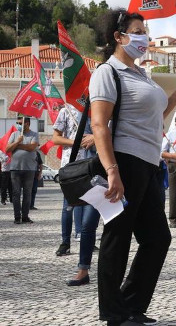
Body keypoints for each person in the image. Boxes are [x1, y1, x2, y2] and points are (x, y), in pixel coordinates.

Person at [90, 9, 176, 325]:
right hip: (125, 162)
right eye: (137, 31)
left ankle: (133, 304)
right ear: (118, 37)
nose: (143, 37)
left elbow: (151, 120)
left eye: (144, 31)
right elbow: (99, 124)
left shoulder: (141, 74)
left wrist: (173, 98)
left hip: (149, 164)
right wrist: (112, 171)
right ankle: (113, 313)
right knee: (117, 237)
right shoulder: (109, 73)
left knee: (158, 238)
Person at [52, 104, 101, 286]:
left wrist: (96, 138)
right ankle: (66, 243)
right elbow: (56, 139)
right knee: (69, 208)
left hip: (95, 169)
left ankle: (86, 265)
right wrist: (78, 140)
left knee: (89, 220)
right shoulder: (66, 110)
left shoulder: (98, 109)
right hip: (73, 169)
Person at [6, 116, 39, 224]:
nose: (18, 125)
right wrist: (17, 142)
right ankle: (17, 217)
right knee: (16, 193)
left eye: (21, 123)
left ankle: (25, 216)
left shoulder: (34, 134)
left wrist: (17, 145)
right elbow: (7, 149)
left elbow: (32, 147)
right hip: (15, 169)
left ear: (27, 123)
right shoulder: (14, 135)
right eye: (17, 123)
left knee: (27, 193)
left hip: (29, 169)